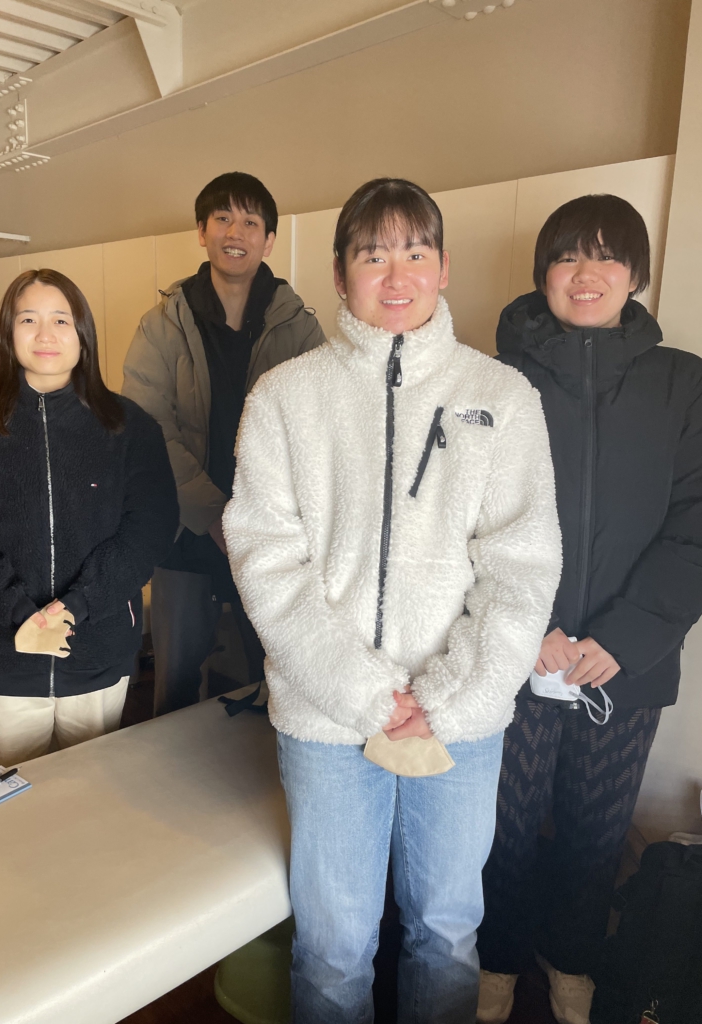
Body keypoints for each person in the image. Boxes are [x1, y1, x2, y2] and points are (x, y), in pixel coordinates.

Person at [223, 178, 561, 1024]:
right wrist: (365, 692)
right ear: (341, 275)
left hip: (460, 724)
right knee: (332, 949)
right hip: (328, 717)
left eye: (415, 252)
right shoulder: (285, 397)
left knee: (446, 934)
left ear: (444, 268)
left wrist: (446, 698)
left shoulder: (503, 397)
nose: (396, 273)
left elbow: (520, 569)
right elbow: (267, 559)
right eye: (373, 255)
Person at [476, 195, 702, 1024]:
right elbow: (463, 517)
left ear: (636, 274)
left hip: (625, 665)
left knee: (595, 833)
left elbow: (697, 521)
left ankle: (570, 958)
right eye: (569, 255)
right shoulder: (492, 381)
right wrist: (524, 626)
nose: (587, 273)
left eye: (607, 256)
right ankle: (495, 961)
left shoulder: (684, 383)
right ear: (544, 272)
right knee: (500, 828)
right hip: (512, 650)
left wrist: (627, 635)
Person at [0, 269, 178, 770]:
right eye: (29, 319)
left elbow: (148, 529)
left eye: (61, 320)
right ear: (8, 332)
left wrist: (78, 605)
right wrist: (17, 612)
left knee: (91, 789)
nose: (45, 334)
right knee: (10, 795)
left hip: (98, 651)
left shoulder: (130, 427)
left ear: (82, 333)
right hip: (5, 656)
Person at [122, 171, 325, 716]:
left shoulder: (300, 328)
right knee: (175, 687)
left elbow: (319, 428)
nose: (236, 232)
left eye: (251, 222)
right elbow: (146, 426)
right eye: (223, 218)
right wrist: (213, 514)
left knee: (281, 680)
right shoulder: (162, 324)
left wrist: (262, 522)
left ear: (269, 240)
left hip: (271, 537)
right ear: (202, 231)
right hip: (184, 533)